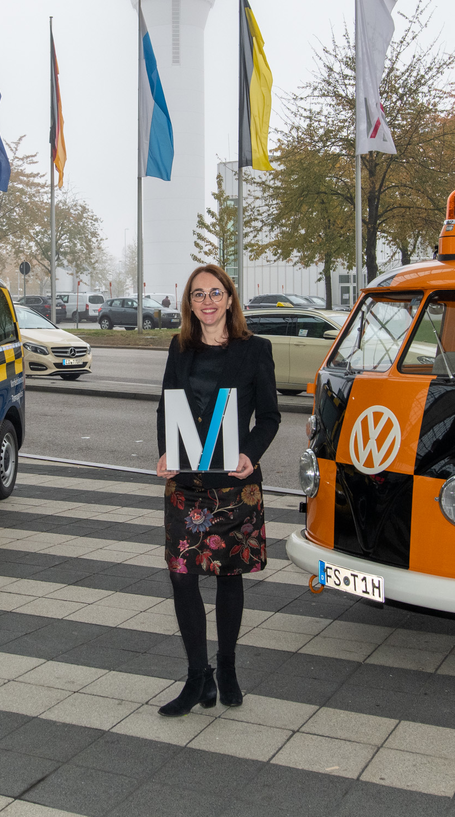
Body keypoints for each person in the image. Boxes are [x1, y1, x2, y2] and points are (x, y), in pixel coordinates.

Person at [152, 263, 280, 715]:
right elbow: (166, 409)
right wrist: (166, 452)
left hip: (233, 485)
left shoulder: (255, 349)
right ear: (189, 303)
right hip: (186, 485)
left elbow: (270, 417)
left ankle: (226, 668)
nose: (207, 301)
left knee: (229, 575)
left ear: (229, 299)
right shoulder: (179, 347)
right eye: (198, 294)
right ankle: (197, 677)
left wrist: (250, 453)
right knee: (181, 576)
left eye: (215, 293)